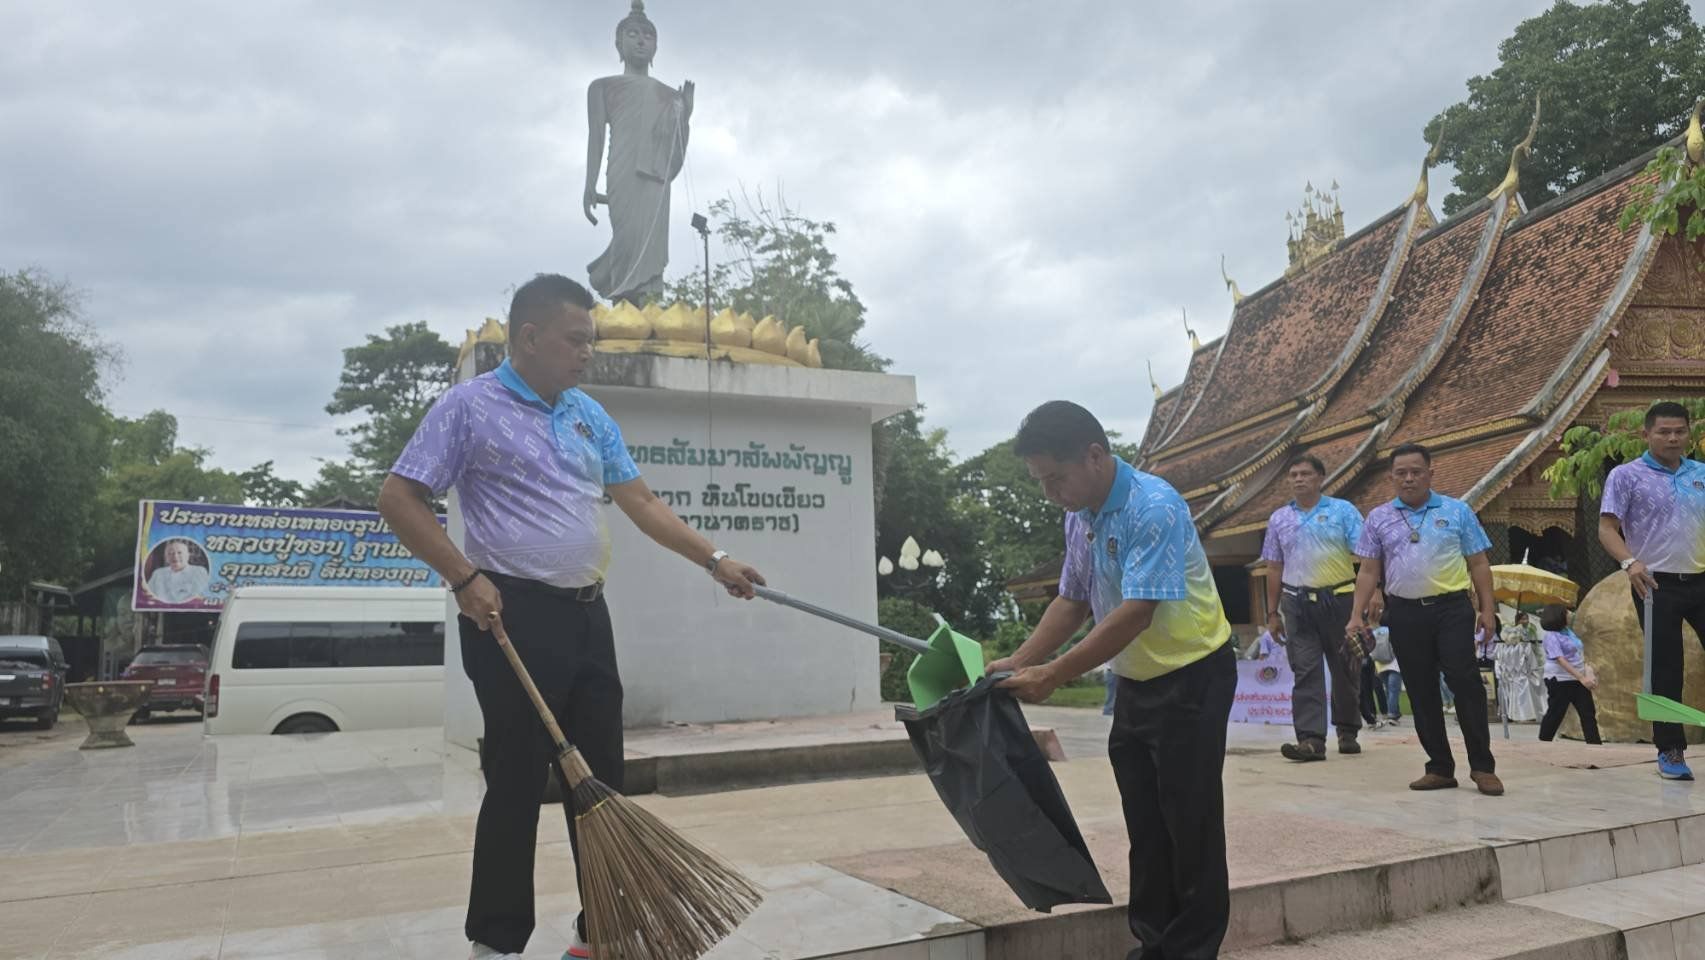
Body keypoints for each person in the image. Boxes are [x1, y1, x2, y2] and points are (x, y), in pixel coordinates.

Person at [378, 274, 766, 960]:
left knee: (602, 779)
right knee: (517, 779)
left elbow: (642, 502)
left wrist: (715, 559)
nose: (586, 352)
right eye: (575, 340)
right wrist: (464, 577)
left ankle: (601, 935)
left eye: (591, 340)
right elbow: (400, 497)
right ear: (529, 337)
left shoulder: (588, 413)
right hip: (509, 612)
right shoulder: (469, 407)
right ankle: (495, 944)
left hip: (588, 614)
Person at [992, 401, 1234, 960]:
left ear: (1095, 456)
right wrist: (1018, 659)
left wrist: (1054, 674)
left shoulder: (1154, 507)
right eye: (1041, 482)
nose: (1051, 491)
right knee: (1146, 824)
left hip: (1192, 676)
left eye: (1056, 477)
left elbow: (1136, 612)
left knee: (1189, 819)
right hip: (1136, 682)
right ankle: (1152, 942)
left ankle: (1191, 951)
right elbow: (1073, 600)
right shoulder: (1080, 515)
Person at [1348, 443, 1503, 796]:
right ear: (1391, 477)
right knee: (1420, 689)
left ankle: (1482, 766)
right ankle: (1439, 767)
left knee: (1464, 681)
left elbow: (1478, 563)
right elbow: (1369, 570)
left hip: (1451, 608)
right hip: (1403, 611)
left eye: (1416, 471)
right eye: (1401, 473)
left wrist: (1488, 608)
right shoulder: (1378, 518)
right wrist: (1356, 614)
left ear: (1431, 473)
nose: (1408, 478)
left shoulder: (1457, 511)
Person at [1598, 400, 1705, 781]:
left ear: (1689, 433)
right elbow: (1607, 528)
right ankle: (1671, 750)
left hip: (1701, 578)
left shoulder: (1700, 473)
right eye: (1664, 431)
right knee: (1665, 668)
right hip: (1655, 584)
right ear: (1646, 434)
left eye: (1679, 431)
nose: (1673, 438)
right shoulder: (1627, 476)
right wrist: (1630, 562)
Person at [583, 0, 694, 303]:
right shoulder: (602, 87)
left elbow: (674, 146)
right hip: (622, 170)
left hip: (655, 177)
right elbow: (596, 137)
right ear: (618, 43)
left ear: (656, 45)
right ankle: (622, 303)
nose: (642, 40)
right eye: (632, 34)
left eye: (648, 35)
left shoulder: (669, 94)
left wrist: (684, 115)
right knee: (627, 238)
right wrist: (589, 185)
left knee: (651, 243)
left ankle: (649, 306)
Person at [1260, 453, 1368, 761]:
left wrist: (1372, 596)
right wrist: (1271, 613)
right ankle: (1310, 740)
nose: (1298, 479)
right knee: (1305, 670)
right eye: (1293, 474)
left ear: (1320, 478)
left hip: (1339, 598)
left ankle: (1347, 729)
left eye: (1305, 474)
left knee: (1345, 667)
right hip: (1295, 602)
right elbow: (1273, 566)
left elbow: (1366, 555)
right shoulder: (1279, 518)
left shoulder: (1342, 511)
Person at [1536, 604, 1600, 744]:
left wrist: (1587, 671)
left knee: (1588, 713)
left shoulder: (1568, 632)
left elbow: (1578, 654)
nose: (1570, 614)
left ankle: (1595, 745)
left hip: (1577, 678)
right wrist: (1582, 678)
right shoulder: (1551, 636)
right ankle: (1543, 742)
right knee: (1556, 712)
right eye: (1566, 612)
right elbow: (1560, 659)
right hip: (1560, 679)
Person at [144, 539, 210, 603]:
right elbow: (148, 594)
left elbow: (203, 597)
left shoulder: (199, 572)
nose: (175, 556)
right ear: (166, 558)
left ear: (187, 555)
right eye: (170, 553)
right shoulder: (158, 573)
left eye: (179, 552)